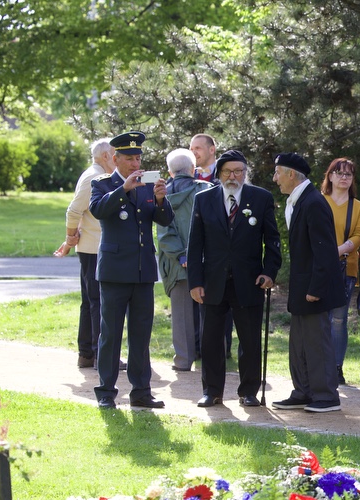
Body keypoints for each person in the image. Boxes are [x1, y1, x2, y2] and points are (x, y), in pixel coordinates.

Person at [188, 150, 282, 407]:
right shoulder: (203, 199)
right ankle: (212, 391)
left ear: (245, 173)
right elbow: (195, 244)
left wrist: (269, 272)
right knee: (211, 340)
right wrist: (195, 281)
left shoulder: (260, 198)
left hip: (249, 280)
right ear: (219, 174)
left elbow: (272, 240)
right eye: (228, 171)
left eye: (239, 171)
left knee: (250, 340)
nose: (233, 176)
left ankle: (248, 391)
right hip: (212, 282)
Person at [88, 131, 175, 409]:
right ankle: (105, 392)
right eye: (129, 159)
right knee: (111, 335)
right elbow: (99, 210)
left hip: (142, 271)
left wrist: (161, 199)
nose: (135, 164)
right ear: (115, 159)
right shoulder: (102, 183)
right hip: (114, 272)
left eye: (138, 158)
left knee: (141, 335)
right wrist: (124, 188)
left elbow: (164, 220)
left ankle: (141, 391)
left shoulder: (147, 185)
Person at [271, 153, 346, 412]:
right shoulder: (299, 200)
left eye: (278, 172)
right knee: (299, 342)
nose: (275, 178)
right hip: (302, 286)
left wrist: (316, 288)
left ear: (291, 174)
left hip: (314, 288)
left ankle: (326, 395)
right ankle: (303, 391)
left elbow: (325, 251)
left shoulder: (313, 202)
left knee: (317, 342)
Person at [58, 138, 114, 369]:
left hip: (92, 246)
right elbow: (74, 210)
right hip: (93, 248)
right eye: (116, 154)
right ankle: (97, 353)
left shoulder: (96, 173)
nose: (119, 159)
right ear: (105, 157)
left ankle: (88, 354)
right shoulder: (94, 176)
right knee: (97, 302)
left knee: (91, 301)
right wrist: (70, 237)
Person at [159, 149, 211, 372]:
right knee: (210, 311)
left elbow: (164, 233)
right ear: (193, 169)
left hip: (176, 262)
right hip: (205, 261)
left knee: (181, 314)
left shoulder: (161, 196)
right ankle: (211, 358)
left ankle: (183, 360)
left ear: (170, 172)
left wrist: (181, 256)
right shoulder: (207, 190)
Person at [320, 158, 360, 385]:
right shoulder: (319, 201)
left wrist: (339, 250)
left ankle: (336, 368)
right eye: (339, 173)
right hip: (319, 269)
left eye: (349, 174)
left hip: (345, 268)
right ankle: (319, 366)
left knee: (338, 320)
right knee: (320, 319)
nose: (344, 177)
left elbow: (359, 235)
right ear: (330, 176)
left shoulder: (357, 207)